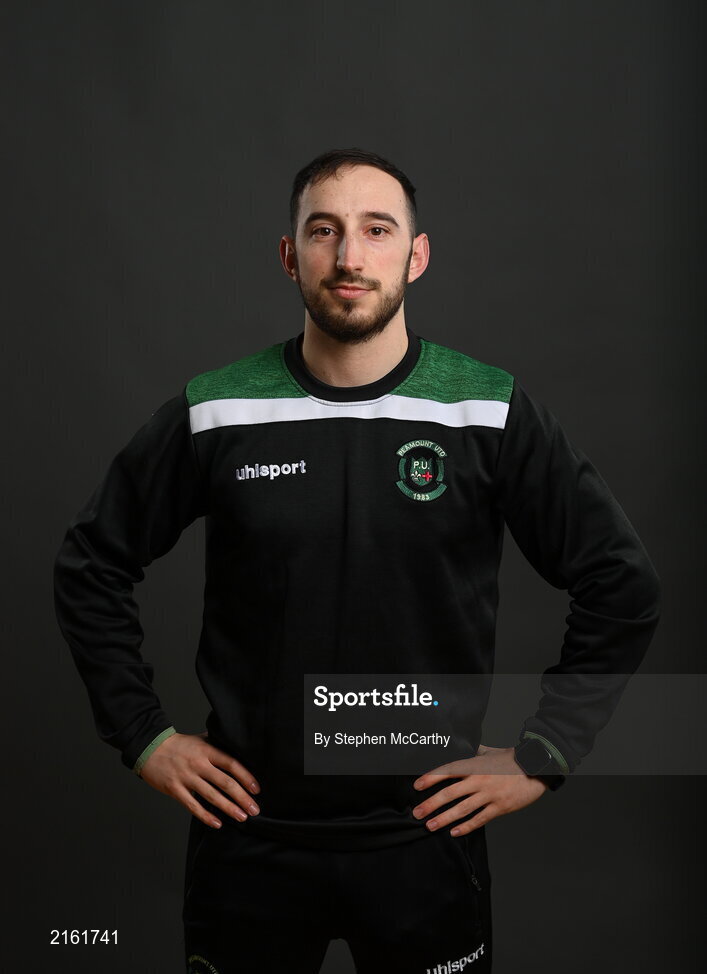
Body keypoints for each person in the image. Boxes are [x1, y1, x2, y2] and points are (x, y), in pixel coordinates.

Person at [53, 147, 661, 974]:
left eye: (376, 231)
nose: (349, 257)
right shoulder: (216, 411)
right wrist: (142, 735)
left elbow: (621, 583)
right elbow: (92, 565)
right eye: (323, 231)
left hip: (423, 836)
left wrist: (544, 753)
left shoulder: (485, 409)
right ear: (288, 255)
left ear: (415, 255)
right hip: (251, 835)